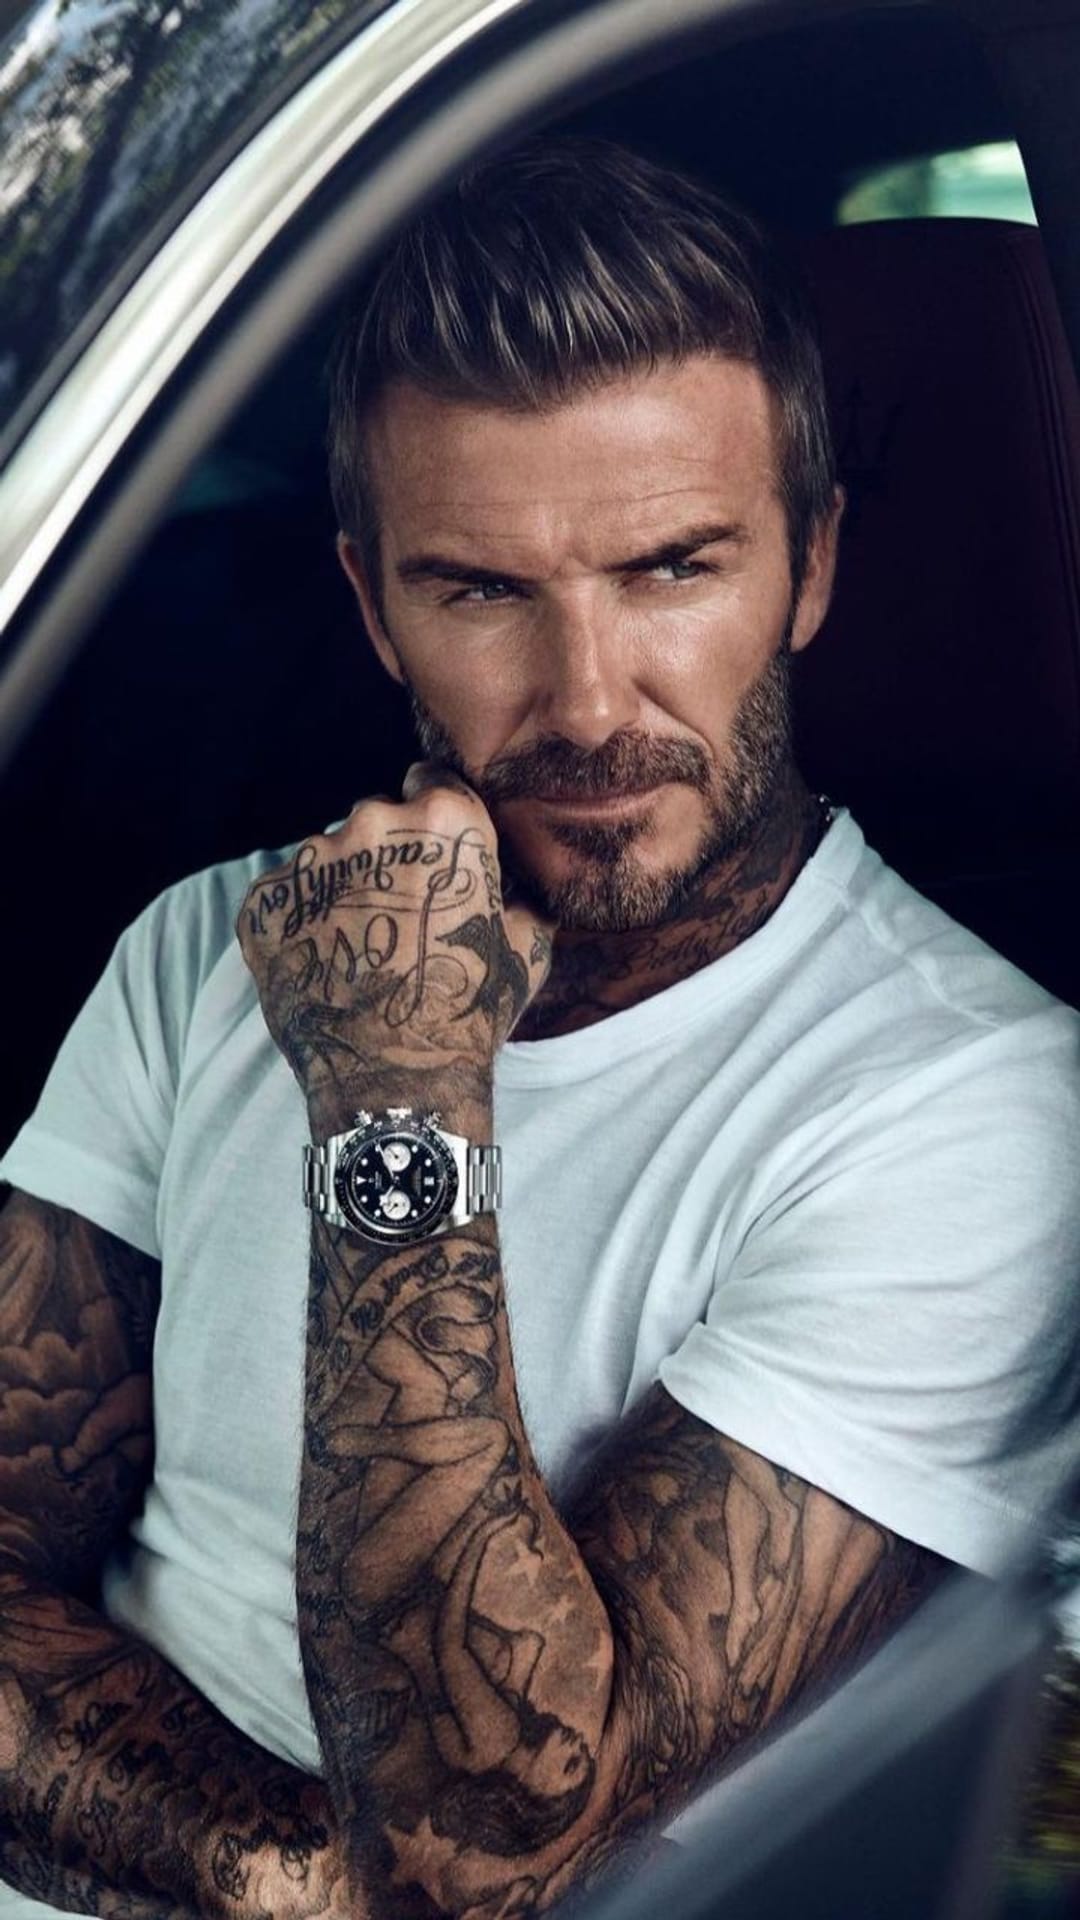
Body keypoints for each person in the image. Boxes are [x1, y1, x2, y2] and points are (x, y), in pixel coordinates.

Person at [1, 137, 1078, 1920]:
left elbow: (478, 1853)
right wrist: (287, 1883)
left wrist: (397, 1092)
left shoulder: (974, 1108)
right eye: (484, 591)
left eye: (672, 569)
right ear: (374, 607)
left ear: (810, 567)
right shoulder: (212, 946)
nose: (586, 703)